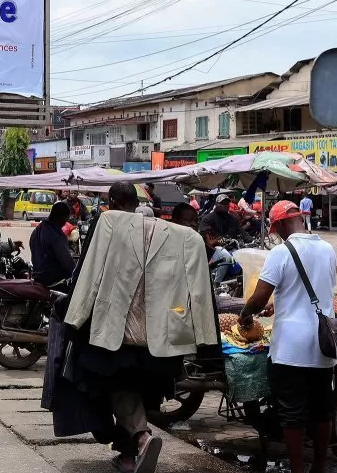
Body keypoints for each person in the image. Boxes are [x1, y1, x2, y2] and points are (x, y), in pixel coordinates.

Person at [63, 181, 215, 473]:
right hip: (161, 340)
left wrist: (75, 318)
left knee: (114, 387)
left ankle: (142, 440)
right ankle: (130, 455)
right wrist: (206, 341)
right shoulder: (188, 238)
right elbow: (199, 292)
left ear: (112, 202)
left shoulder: (107, 223)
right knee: (136, 392)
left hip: (116, 335)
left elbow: (91, 273)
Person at [240, 201, 337, 473]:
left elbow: (258, 298)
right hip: (322, 346)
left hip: (289, 350)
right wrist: (279, 304)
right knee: (321, 410)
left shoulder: (281, 252)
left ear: (281, 224)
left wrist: (246, 313)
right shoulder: (328, 249)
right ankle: (318, 466)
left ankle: (297, 469)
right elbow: (315, 293)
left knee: (292, 412)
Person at [31, 201, 76, 288]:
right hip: (52, 279)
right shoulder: (55, 235)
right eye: (66, 219)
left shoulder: (38, 230)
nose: (65, 222)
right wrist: (76, 272)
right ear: (61, 217)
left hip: (38, 275)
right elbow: (66, 262)